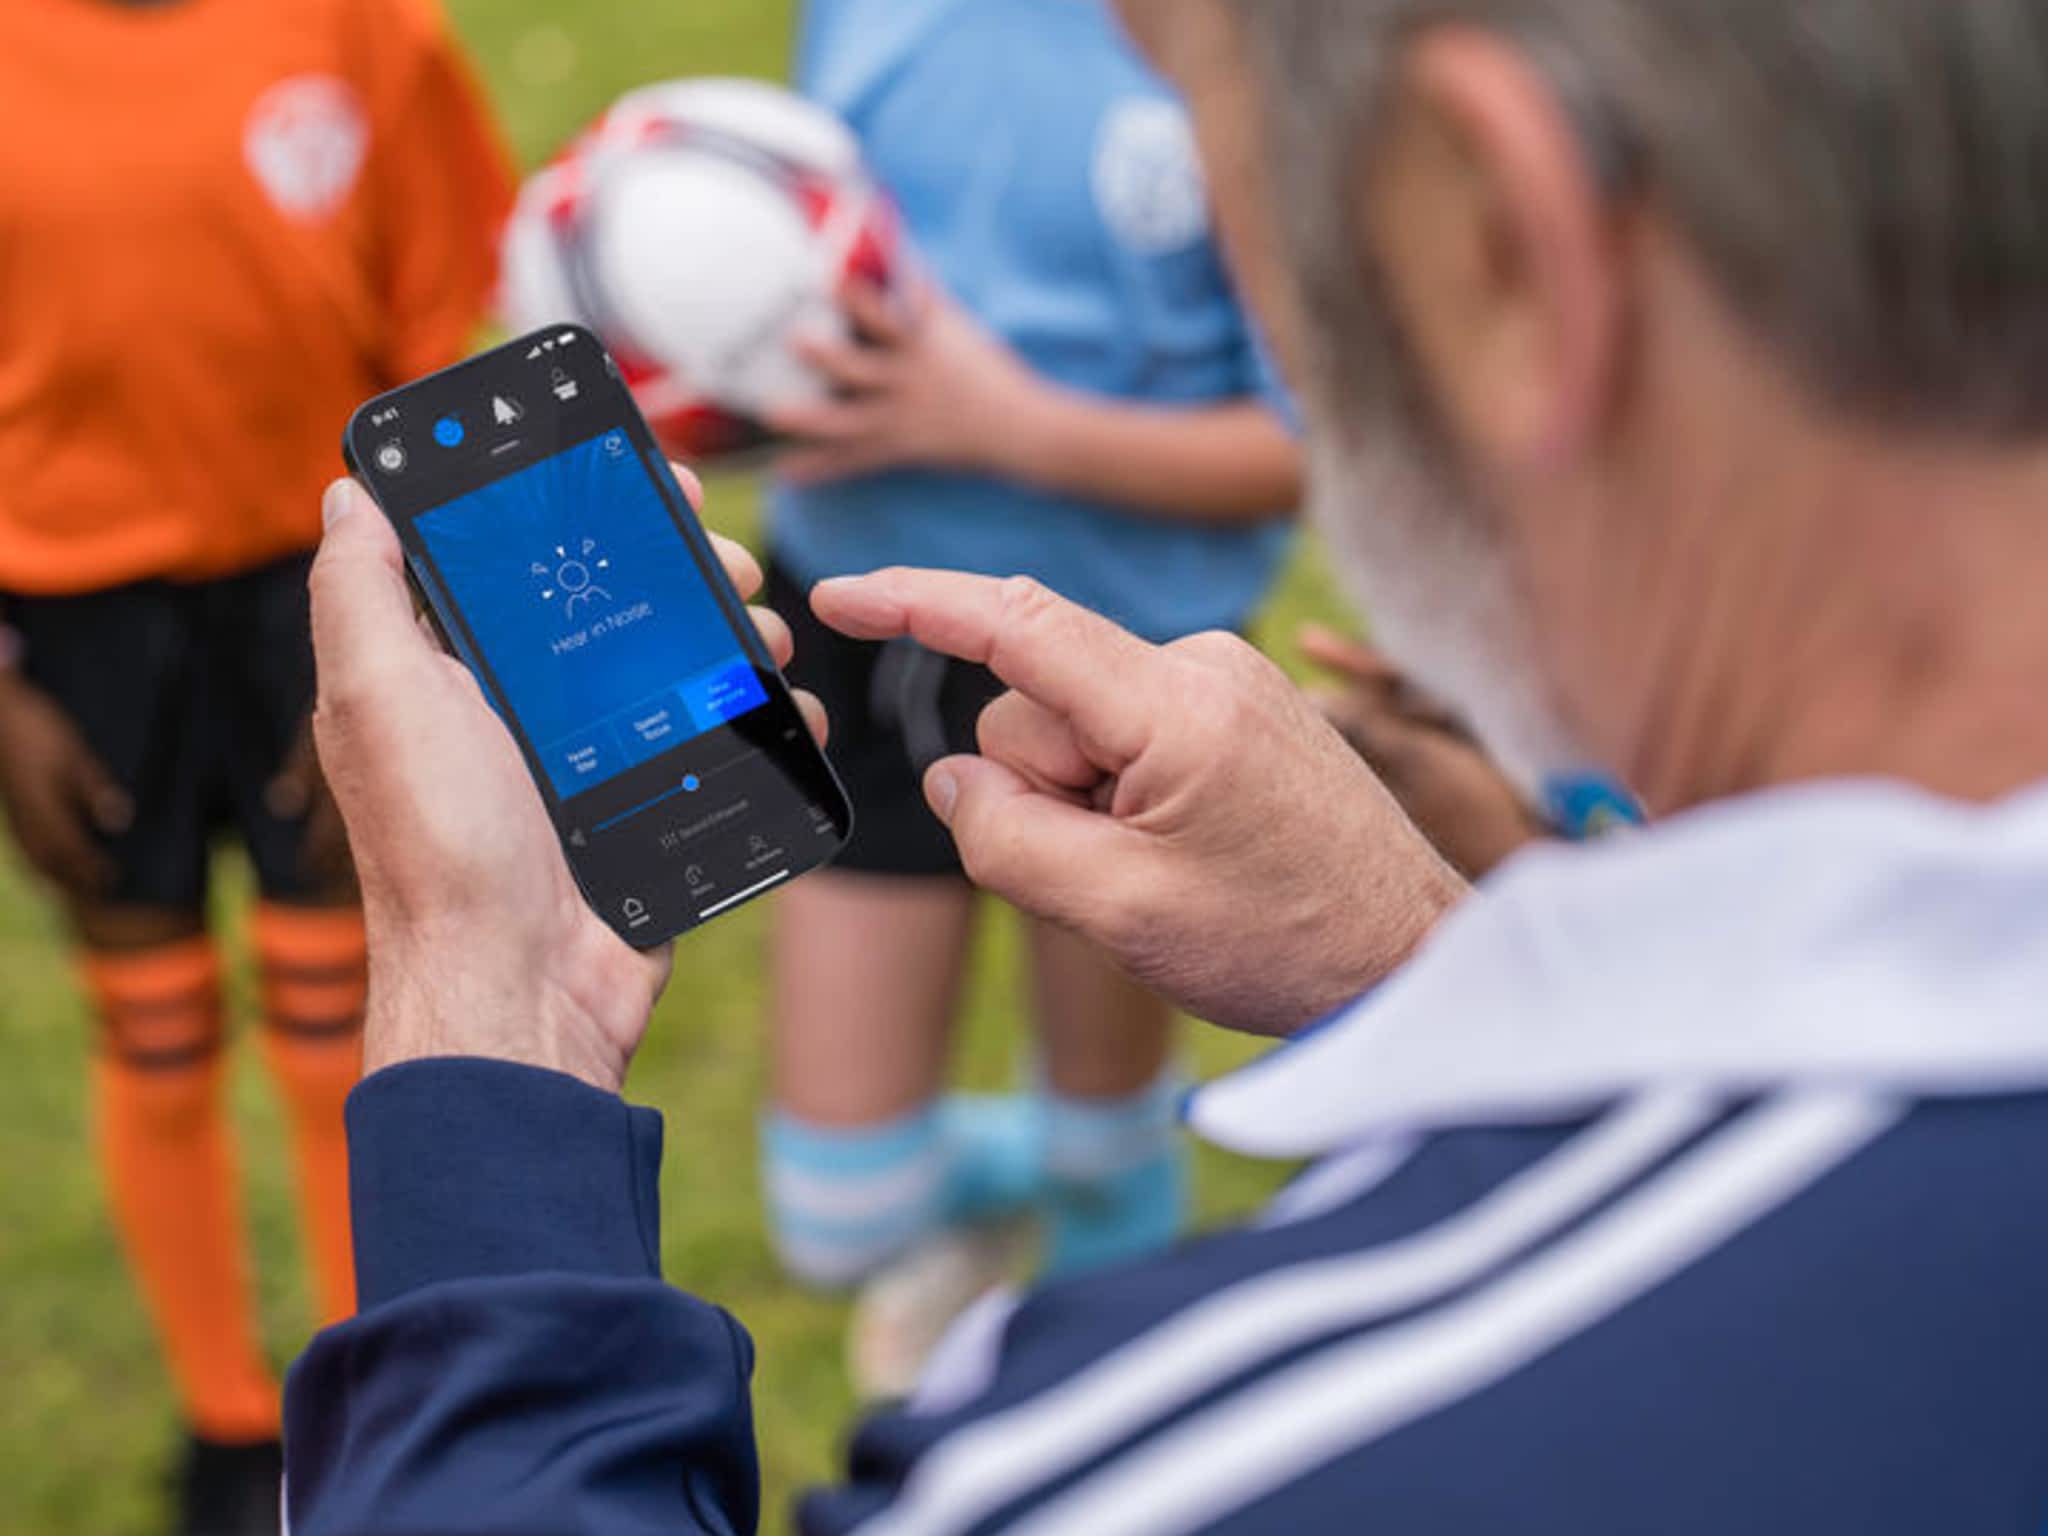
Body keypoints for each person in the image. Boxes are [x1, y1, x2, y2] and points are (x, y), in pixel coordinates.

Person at [286, 0, 2048, 1530]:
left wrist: (479, 1009)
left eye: (1229, 151)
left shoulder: (1153, 1478)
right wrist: (1421, 960)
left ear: (1506, 245)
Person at [0, 1, 510, 1530]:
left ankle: (375, 1390)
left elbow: (434, 331)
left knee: (337, 998)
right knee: (148, 1007)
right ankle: (229, 1429)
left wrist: (399, 614)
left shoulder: (368, 30)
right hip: (66, 615)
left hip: (323, 565)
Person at [758, 0, 1301, 1386]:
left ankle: (1088, 1415)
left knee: (1109, 1162)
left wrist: (1004, 427)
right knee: (836, 1211)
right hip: (852, 616)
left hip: (1126, 657)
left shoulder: (1257, 52)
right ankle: (1028, 1194)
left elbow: (1313, 445)